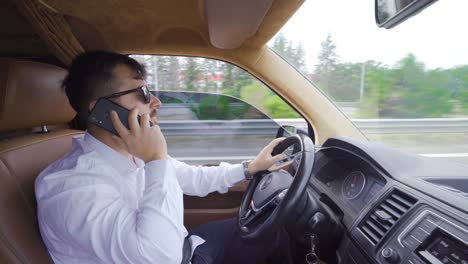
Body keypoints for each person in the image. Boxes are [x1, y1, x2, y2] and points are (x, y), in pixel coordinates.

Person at [35, 51, 292, 264]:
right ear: (102, 109)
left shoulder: (129, 153)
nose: (156, 101)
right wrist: (156, 159)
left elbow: (190, 177)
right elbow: (159, 257)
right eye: (142, 93)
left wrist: (249, 168)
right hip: (172, 256)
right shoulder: (69, 187)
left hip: (188, 247)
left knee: (278, 226)